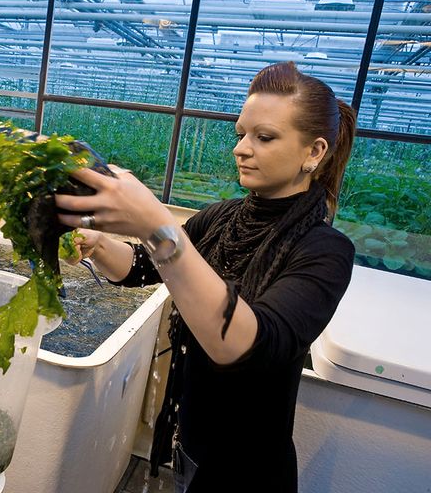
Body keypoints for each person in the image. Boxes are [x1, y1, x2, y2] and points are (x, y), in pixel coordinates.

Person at [54, 61, 357, 492]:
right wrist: (99, 244)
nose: (241, 148)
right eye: (241, 134)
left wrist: (156, 223)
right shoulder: (223, 217)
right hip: (190, 442)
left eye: (264, 137)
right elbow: (145, 266)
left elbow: (246, 344)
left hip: (248, 471)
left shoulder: (325, 251)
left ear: (314, 152)